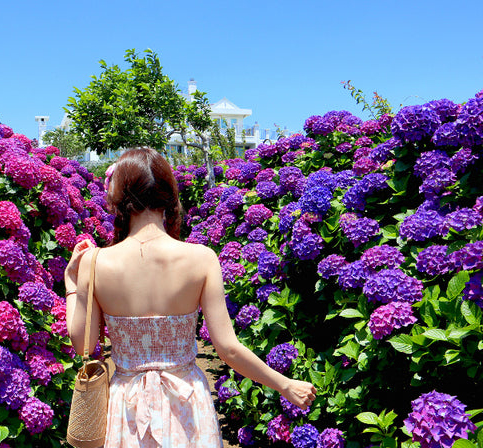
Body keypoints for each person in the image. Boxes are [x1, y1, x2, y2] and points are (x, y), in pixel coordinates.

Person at [65, 147, 316, 448]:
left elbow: (83, 345)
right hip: (188, 405)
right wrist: (285, 385)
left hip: (126, 409)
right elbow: (229, 349)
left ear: (118, 197)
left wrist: (71, 283)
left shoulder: (94, 262)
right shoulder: (201, 259)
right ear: (170, 196)